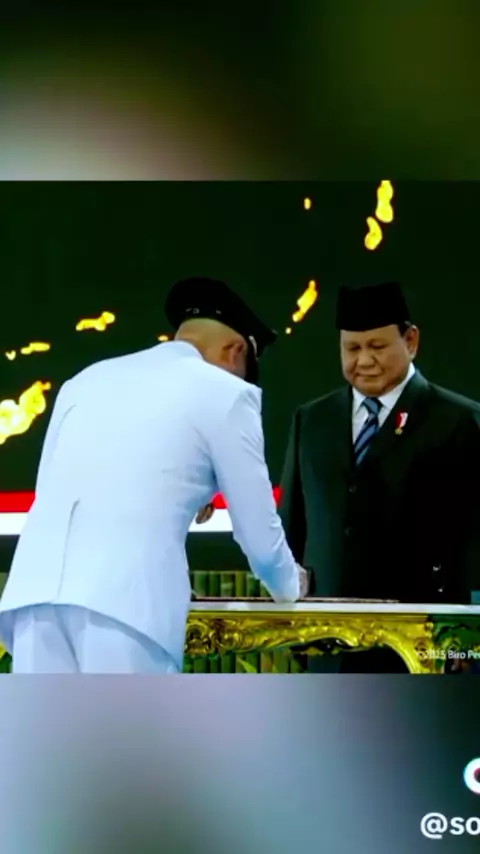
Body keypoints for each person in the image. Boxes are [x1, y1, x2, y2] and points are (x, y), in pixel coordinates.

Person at [0, 277, 308, 673]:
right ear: (236, 352)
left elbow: (53, 488)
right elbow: (259, 536)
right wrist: (290, 585)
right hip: (126, 608)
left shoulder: (84, 380)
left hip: (33, 603)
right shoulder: (227, 392)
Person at [280, 280, 480, 673]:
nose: (365, 360)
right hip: (326, 639)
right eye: (352, 348)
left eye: (377, 346)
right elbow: (293, 526)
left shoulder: (459, 421)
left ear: (411, 341)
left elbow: (476, 538)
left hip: (424, 643)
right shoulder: (312, 420)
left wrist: (468, 635)